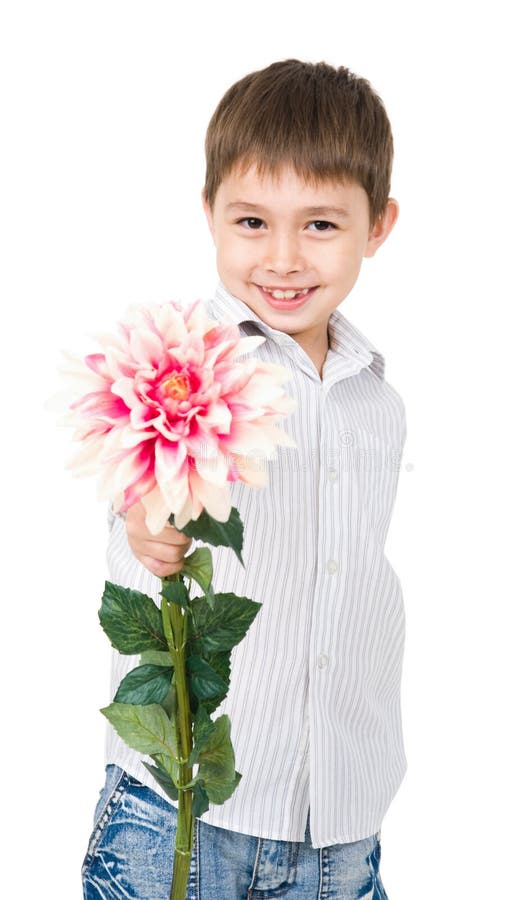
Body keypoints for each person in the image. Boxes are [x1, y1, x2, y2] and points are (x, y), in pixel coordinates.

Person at [82, 58, 407, 899]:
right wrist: (143, 525)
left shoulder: (377, 400)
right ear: (210, 215)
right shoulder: (182, 359)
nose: (284, 258)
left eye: (322, 224)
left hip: (339, 819)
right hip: (179, 814)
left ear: (379, 225)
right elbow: (133, 496)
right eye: (253, 222)